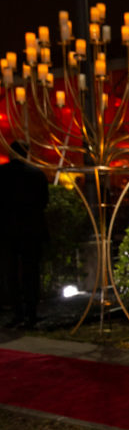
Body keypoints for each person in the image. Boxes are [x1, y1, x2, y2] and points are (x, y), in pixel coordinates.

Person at [0, 141, 49, 329]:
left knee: (11, 273)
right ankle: (31, 313)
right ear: (26, 155)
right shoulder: (36, 174)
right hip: (31, 230)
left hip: (7, 231)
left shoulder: (2, 174)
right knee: (31, 272)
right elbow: (44, 201)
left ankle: (17, 312)